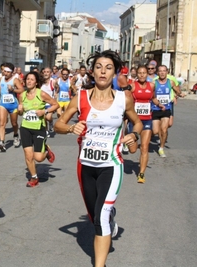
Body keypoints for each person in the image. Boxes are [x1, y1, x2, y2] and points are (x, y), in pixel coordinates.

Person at [54, 50, 142, 267]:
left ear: (115, 72)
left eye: (108, 67)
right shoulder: (81, 97)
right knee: (95, 216)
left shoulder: (124, 98)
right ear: (92, 72)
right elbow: (58, 125)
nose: (103, 71)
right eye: (99, 67)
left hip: (111, 165)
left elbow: (137, 123)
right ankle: (110, 216)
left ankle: (99, 265)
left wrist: (133, 134)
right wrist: (71, 127)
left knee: (100, 217)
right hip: (85, 166)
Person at [18, 72, 59, 187]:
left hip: (38, 128)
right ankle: (34, 177)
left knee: (39, 158)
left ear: (36, 82)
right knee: (28, 155)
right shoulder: (22, 95)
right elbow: (21, 113)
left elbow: (56, 105)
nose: (29, 81)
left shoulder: (42, 94)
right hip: (25, 127)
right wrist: (20, 109)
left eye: (32, 80)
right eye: (27, 79)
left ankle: (46, 152)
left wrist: (45, 111)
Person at [129, 65, 164, 183]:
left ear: (147, 74)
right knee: (133, 150)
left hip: (147, 119)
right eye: (140, 73)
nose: (142, 75)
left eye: (144, 73)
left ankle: (142, 174)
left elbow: (153, 98)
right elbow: (126, 101)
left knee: (145, 147)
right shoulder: (133, 86)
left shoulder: (152, 86)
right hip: (134, 121)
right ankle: (132, 141)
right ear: (137, 74)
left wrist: (159, 104)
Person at [152, 65, 184, 157]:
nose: (162, 73)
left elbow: (177, 91)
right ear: (157, 73)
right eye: (160, 71)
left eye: (164, 71)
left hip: (166, 108)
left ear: (167, 72)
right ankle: (160, 137)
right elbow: (151, 95)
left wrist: (178, 94)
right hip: (155, 108)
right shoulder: (154, 83)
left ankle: (161, 148)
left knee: (164, 129)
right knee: (155, 131)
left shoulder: (171, 82)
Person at [0, 63, 24, 151]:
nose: (6, 73)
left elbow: (22, 90)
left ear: (11, 72)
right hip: (3, 104)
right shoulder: (1, 79)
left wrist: (13, 89)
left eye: (7, 72)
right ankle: (2, 142)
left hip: (13, 105)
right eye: (4, 71)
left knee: (14, 123)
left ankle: (15, 135)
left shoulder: (15, 80)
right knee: (2, 123)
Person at [40, 67, 59, 134]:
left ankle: (51, 123)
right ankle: (46, 130)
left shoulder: (53, 81)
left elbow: (57, 88)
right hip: (42, 103)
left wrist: (56, 94)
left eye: (48, 72)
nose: (46, 73)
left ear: (51, 73)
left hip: (50, 103)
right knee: (44, 118)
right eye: (44, 72)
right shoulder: (40, 81)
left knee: (48, 117)